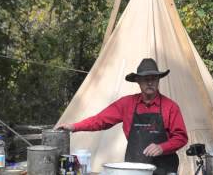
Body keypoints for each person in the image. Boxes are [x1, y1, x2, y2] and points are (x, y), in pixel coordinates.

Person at [57, 58, 188, 175]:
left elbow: (181, 137)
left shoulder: (170, 107)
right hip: (134, 169)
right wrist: (74, 127)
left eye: (153, 78)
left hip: (164, 169)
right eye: (145, 79)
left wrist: (162, 147)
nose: (150, 82)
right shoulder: (126, 104)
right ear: (138, 81)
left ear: (158, 80)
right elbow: (100, 120)